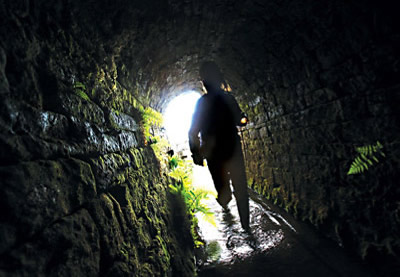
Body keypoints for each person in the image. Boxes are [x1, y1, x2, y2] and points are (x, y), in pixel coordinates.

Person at [188, 61, 250, 230]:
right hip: (230, 148)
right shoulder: (227, 98)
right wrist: (243, 119)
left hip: (214, 152)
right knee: (238, 187)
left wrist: (196, 154)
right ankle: (245, 225)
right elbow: (240, 120)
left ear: (204, 82)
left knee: (227, 188)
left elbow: (193, 131)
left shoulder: (203, 103)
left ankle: (231, 208)